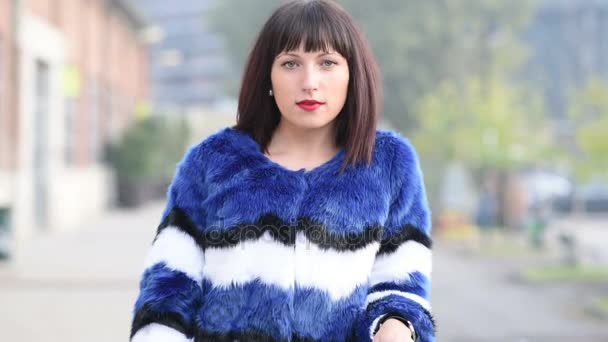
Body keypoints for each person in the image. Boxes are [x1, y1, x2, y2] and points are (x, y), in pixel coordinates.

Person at [129, 1, 434, 341]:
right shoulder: (212, 163)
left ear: (352, 74)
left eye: (327, 63)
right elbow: (168, 291)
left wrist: (396, 325)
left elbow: (401, 287)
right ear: (267, 77)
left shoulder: (389, 165)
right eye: (291, 63)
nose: (309, 82)